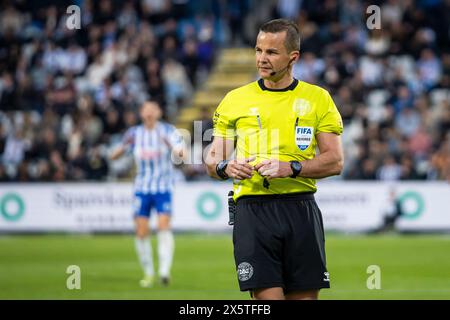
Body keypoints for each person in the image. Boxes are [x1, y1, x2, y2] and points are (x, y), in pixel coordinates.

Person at [205, 19, 344, 300]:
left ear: (293, 57)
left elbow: (335, 161)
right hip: (253, 211)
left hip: (300, 209)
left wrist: (292, 168)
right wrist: (225, 166)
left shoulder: (318, 99)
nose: (261, 59)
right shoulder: (235, 99)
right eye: (258, 50)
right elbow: (213, 158)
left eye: (271, 52)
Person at [111, 101, 185, 287]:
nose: (150, 112)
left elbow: (182, 155)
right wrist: (121, 149)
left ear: (159, 112)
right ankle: (149, 273)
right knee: (141, 231)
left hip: (163, 188)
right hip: (142, 189)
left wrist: (175, 148)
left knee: (163, 226)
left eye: (153, 109)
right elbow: (114, 156)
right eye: (146, 109)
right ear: (141, 113)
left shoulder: (168, 131)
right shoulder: (134, 134)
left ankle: (164, 272)